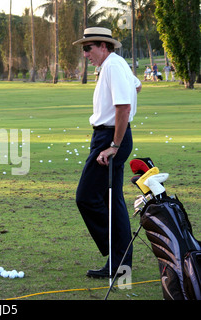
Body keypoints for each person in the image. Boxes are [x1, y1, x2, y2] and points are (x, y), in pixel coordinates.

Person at [72, 27, 142, 279]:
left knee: (87, 197)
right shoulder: (115, 64)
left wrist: (113, 144)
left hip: (110, 138)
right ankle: (120, 263)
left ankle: (117, 253)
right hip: (110, 135)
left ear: (103, 45)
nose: (85, 54)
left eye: (88, 48)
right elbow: (138, 86)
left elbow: (122, 107)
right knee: (113, 202)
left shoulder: (112, 66)